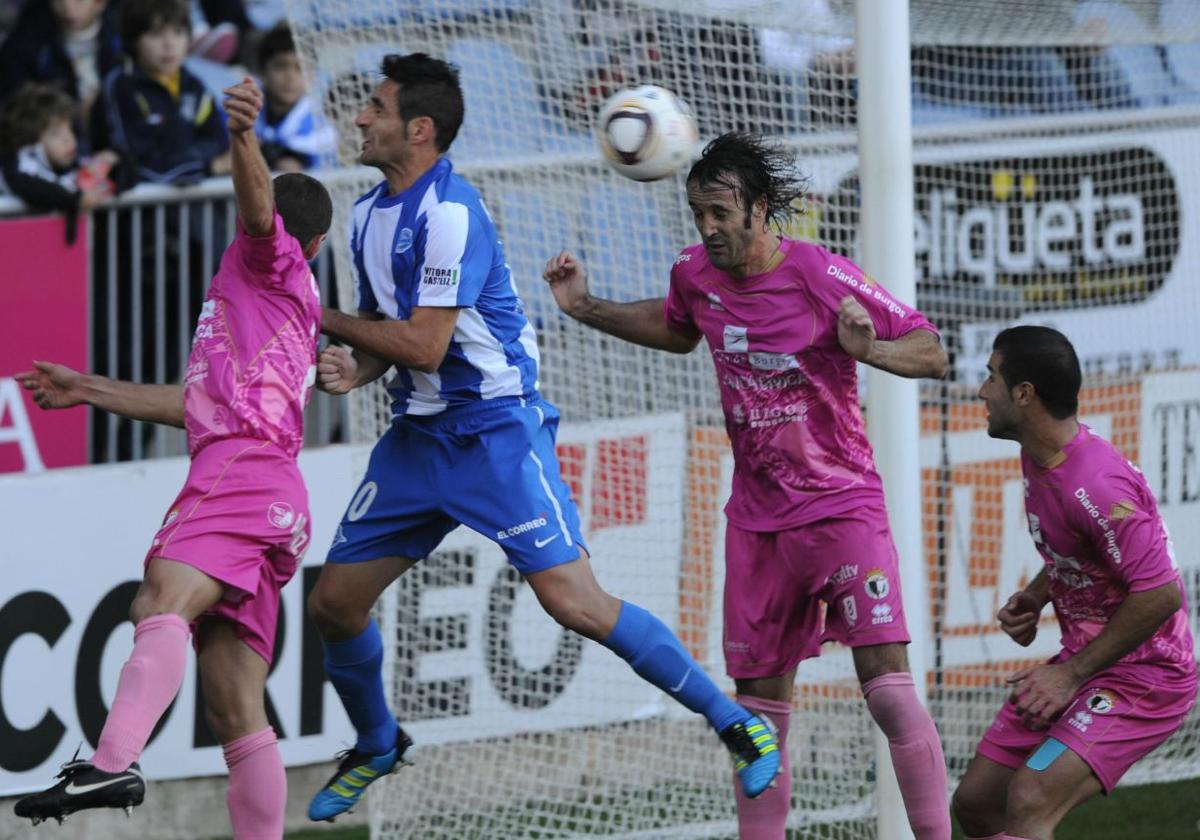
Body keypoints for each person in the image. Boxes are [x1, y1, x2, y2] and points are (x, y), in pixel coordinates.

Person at [303, 52, 781, 822]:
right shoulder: (364, 217)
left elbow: (424, 345)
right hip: (417, 438)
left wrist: (315, 311)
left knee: (575, 604)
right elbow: (385, 341)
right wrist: (347, 370)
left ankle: (737, 723)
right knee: (333, 604)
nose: (360, 118)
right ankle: (378, 742)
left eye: (377, 108)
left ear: (418, 130)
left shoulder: (451, 214)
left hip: (495, 433)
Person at [542, 131, 952, 840]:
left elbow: (931, 350)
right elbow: (678, 331)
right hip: (758, 525)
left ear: (761, 210)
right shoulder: (694, 274)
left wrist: (868, 350)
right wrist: (588, 308)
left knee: (887, 691)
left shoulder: (820, 274)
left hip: (839, 507)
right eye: (697, 211)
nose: (707, 227)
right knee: (756, 725)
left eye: (720, 212)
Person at [12, 76, 332, 838]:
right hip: (276, 493)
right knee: (233, 707)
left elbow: (260, 212)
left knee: (157, 602)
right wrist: (85, 387)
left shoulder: (269, 263)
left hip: (240, 473)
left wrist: (243, 136)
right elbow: (192, 403)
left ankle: (114, 758)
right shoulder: (268, 313)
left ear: (301, 244)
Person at [951, 326, 1196, 840]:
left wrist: (1068, 676)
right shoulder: (1040, 456)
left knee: (1030, 799)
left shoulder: (1097, 485)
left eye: (991, 376)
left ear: (1024, 394)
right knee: (976, 804)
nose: (981, 391)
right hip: (1087, 663)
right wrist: (1038, 594)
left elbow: (1161, 592)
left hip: (1145, 678)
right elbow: (1084, 551)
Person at [91, 0, 231, 186]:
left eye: (178, 32)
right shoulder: (120, 86)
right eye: (156, 34)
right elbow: (136, 163)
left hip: (194, 206)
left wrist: (193, 162)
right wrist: (207, 167)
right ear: (133, 40)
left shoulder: (194, 85)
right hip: (142, 211)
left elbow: (218, 141)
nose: (170, 44)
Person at [0, 83, 117, 238]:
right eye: (56, 134)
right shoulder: (18, 165)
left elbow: (114, 176)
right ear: (32, 139)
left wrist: (114, 161)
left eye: (70, 129)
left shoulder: (75, 163)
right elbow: (27, 184)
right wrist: (75, 200)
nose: (68, 139)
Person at [0, 0, 122, 132]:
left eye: (78, 1)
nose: (67, 9)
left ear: (100, 3)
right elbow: (15, 103)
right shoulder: (26, 44)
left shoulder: (126, 34)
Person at [254, 22, 336, 172]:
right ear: (262, 71)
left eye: (300, 68)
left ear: (313, 75)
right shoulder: (238, 110)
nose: (290, 77)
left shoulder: (321, 125)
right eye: (281, 66)